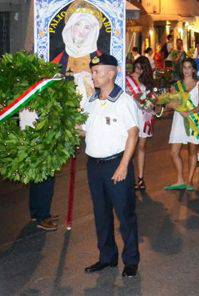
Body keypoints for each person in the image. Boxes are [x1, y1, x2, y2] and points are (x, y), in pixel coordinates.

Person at [83, 54, 140, 278]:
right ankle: (107, 257)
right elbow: (85, 130)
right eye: (92, 72)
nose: (93, 76)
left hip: (116, 164)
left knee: (125, 214)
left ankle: (131, 260)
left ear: (111, 73)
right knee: (101, 214)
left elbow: (133, 134)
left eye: (97, 72)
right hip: (94, 166)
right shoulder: (91, 101)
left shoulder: (124, 101)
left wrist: (124, 165)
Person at [165, 58, 199, 191]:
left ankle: (189, 180)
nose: (187, 70)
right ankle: (180, 180)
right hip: (179, 120)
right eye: (185, 67)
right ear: (181, 69)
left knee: (192, 150)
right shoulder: (176, 86)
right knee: (173, 152)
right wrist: (177, 109)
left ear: (194, 69)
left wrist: (190, 112)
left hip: (193, 120)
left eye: (189, 67)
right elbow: (169, 104)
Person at [125, 56, 155, 192]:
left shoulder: (147, 82)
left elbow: (152, 99)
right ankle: (127, 176)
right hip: (130, 115)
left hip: (143, 116)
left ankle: (141, 178)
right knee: (129, 147)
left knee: (141, 146)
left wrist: (152, 103)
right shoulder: (125, 79)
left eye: (142, 68)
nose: (139, 70)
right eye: (137, 67)